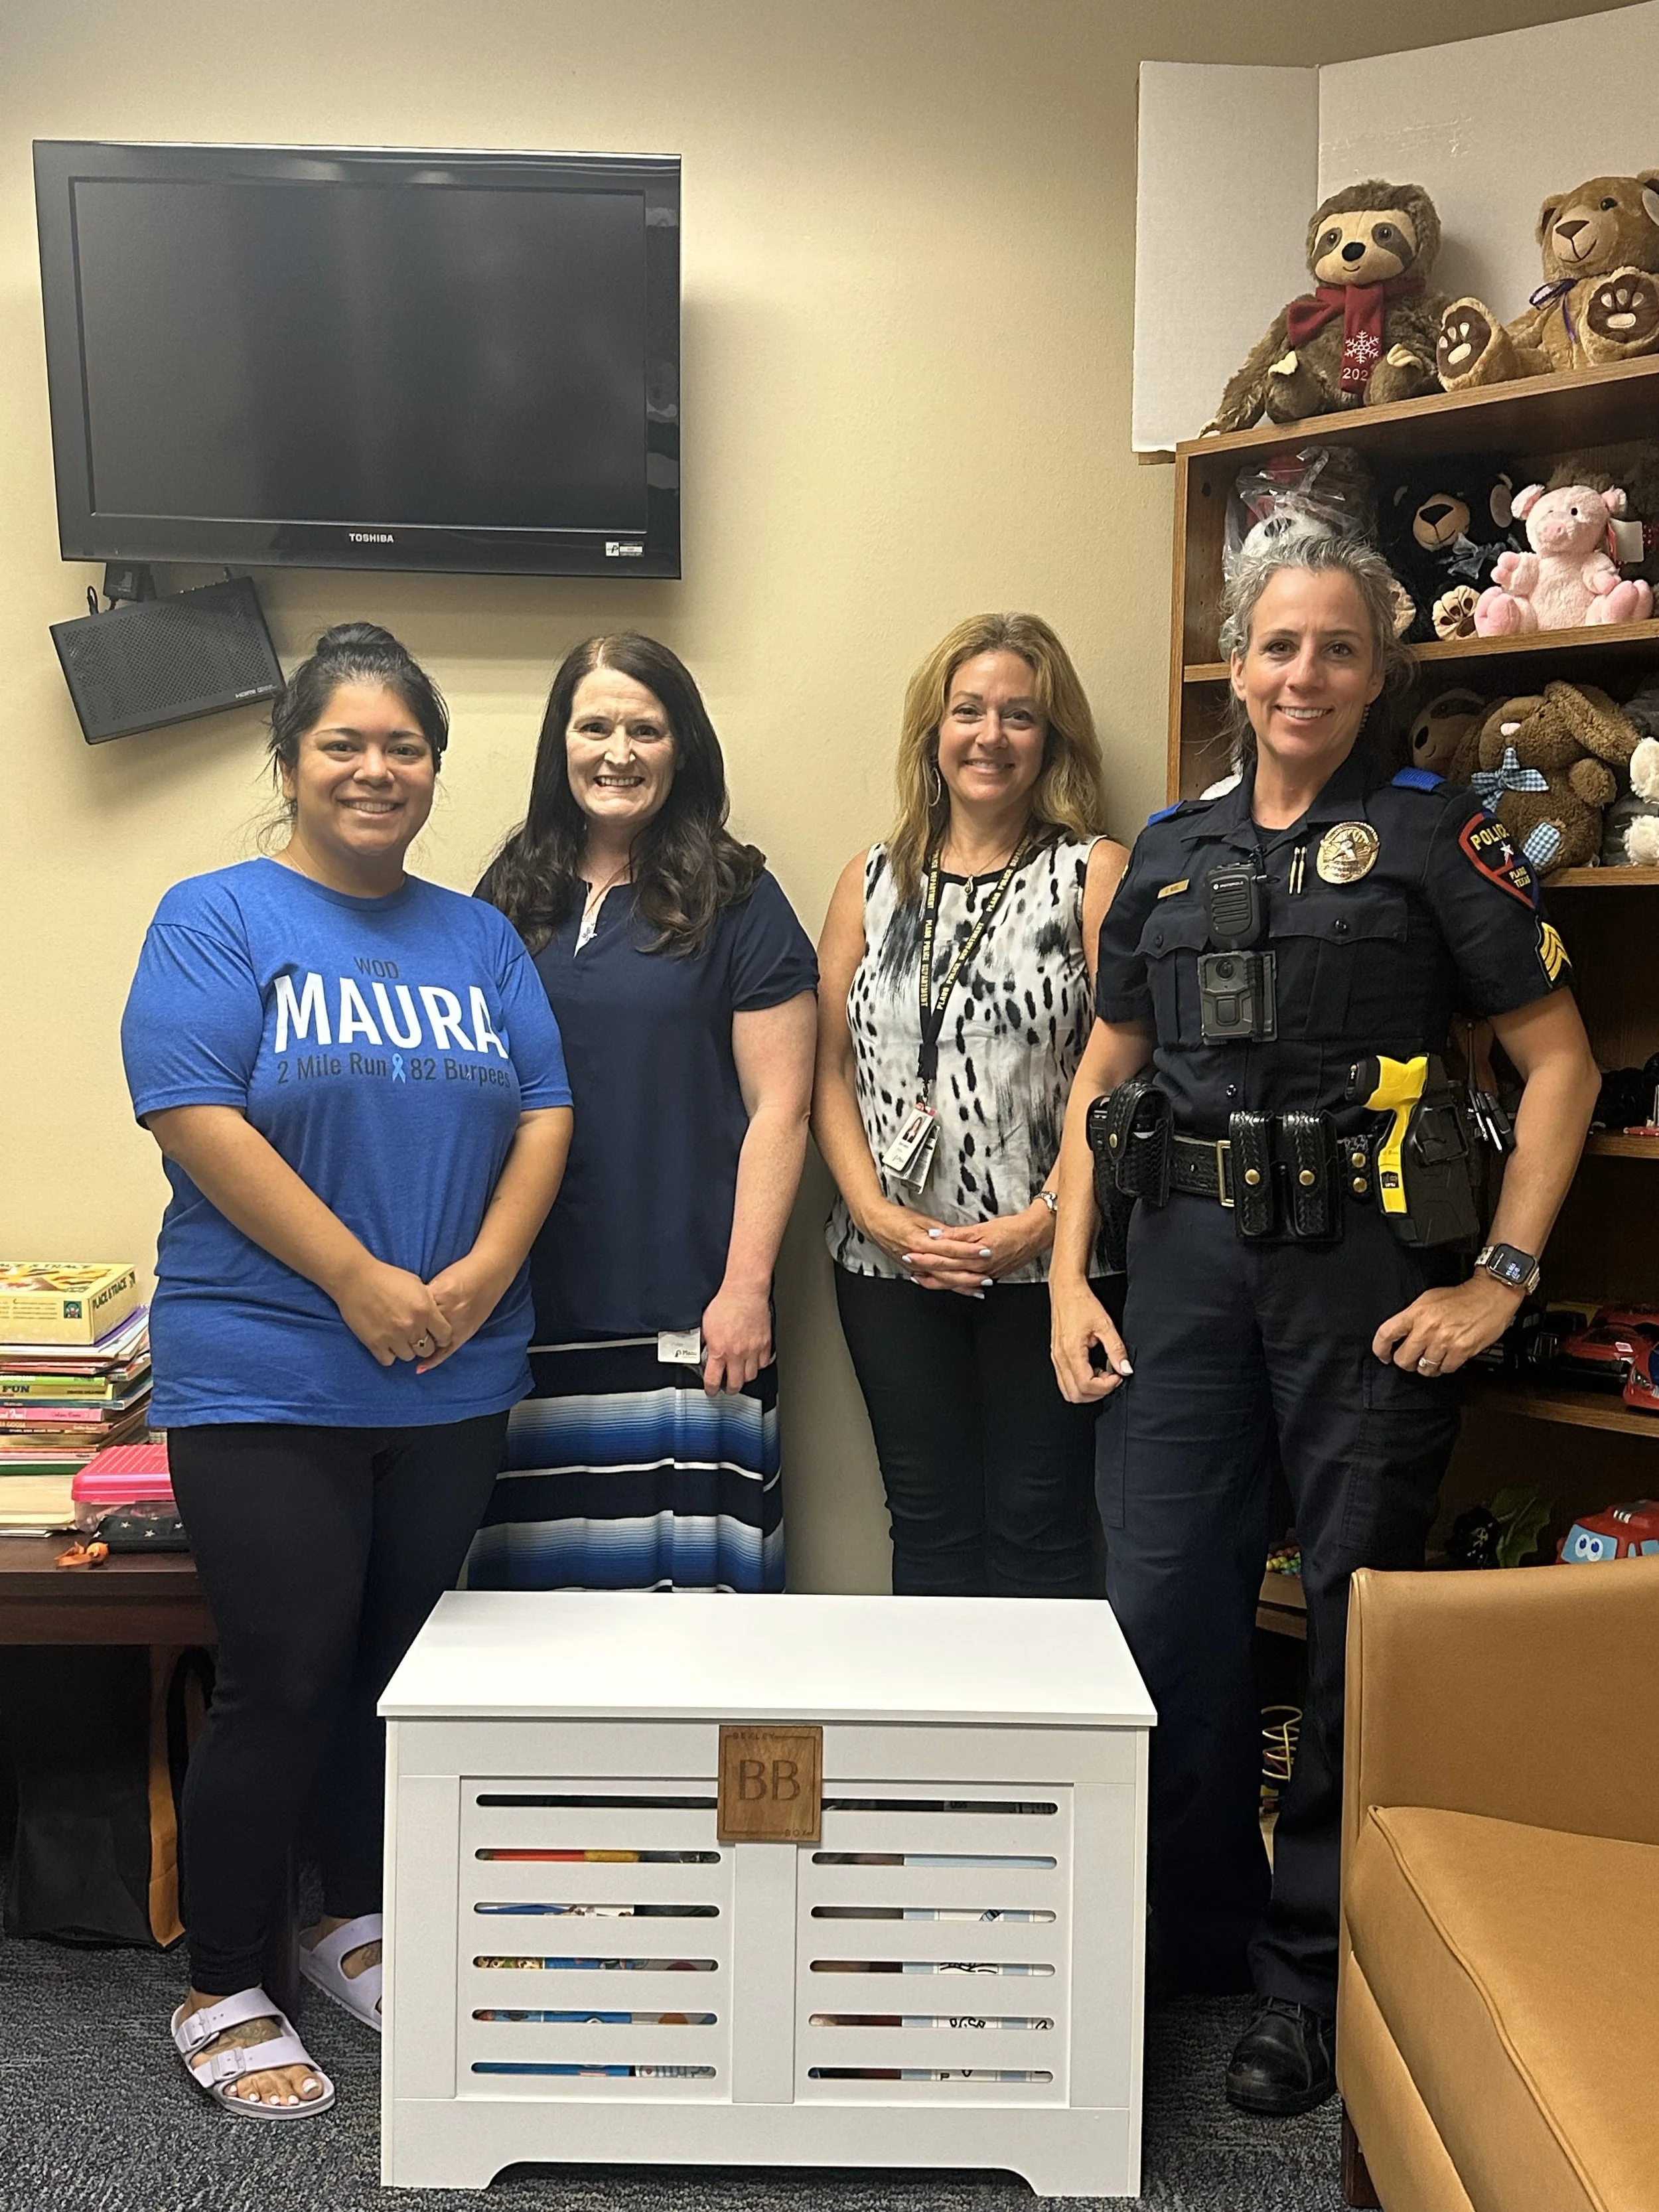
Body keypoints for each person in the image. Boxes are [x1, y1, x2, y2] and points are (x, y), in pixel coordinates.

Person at [1048, 530, 1600, 2114]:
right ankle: (1182, 1938)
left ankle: (1305, 1980)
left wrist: (1497, 1278)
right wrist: (1072, 1277)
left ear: (1375, 672)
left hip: (1363, 1282)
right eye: (1278, 646)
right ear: (1237, 663)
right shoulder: (1165, 851)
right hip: (1178, 1276)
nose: (1304, 675)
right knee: (1162, 1615)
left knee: (1357, 1627)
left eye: (1337, 648)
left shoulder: (1436, 836)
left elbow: (1558, 1062)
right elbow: (1103, 1076)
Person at [121, 623, 573, 2118]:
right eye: (344, 744)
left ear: (432, 767)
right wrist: (358, 1281)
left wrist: (479, 1276)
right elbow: (193, 1110)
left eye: (404, 746)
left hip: (452, 1372)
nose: (376, 770)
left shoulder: (478, 937)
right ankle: (223, 1980)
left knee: (393, 1670)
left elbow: (544, 1110)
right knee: (285, 1673)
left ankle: (346, 1918)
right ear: (291, 762)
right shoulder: (216, 916)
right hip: (268, 1368)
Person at [470, 633, 816, 1591]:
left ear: (683, 747)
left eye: (646, 730)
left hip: (690, 1317)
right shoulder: (510, 892)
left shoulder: (739, 897)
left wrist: (745, 1288)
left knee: (686, 1618)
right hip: (526, 1313)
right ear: (561, 743)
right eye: (595, 728)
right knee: (534, 1614)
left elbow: (782, 1110)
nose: (617, 753)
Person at [815, 613, 1127, 1595]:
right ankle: (932, 1708)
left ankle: (1042, 1710)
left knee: (1043, 1527)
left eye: (1019, 716)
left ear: (1052, 739)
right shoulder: (870, 882)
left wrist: (1040, 1224)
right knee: (927, 1523)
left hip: (1051, 1265)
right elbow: (825, 1068)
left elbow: (1125, 1078)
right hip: (889, 1266)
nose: (991, 736)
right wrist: (873, 1212)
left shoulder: (1093, 874)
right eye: (969, 711)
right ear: (934, 731)